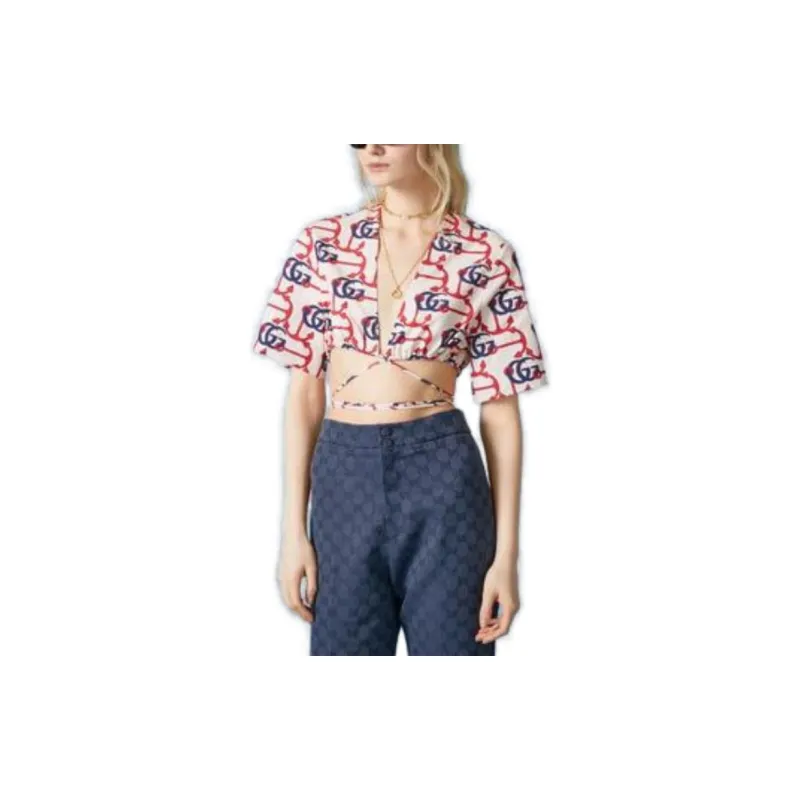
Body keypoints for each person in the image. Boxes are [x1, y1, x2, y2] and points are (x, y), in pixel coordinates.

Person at [253, 144, 548, 655]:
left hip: (444, 477)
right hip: (344, 478)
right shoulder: (323, 244)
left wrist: (506, 557)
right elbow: (304, 395)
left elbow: (501, 409)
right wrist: (292, 533)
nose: (372, 147)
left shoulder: (484, 253)